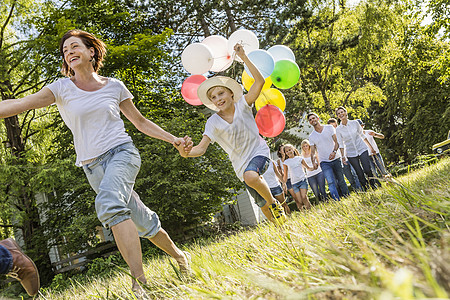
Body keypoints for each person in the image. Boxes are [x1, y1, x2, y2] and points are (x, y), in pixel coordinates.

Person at [0, 29, 191, 296]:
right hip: (92, 167)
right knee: (142, 220)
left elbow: (140, 122)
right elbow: (20, 103)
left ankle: (139, 282)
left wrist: (174, 140)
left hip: (121, 153)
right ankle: (181, 257)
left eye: (74, 46)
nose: (69, 52)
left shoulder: (114, 86)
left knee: (110, 205)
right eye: (65, 51)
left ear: (91, 51)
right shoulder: (61, 88)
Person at [177, 44, 286, 224]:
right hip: (240, 167)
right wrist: (184, 152)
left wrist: (244, 57)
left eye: (221, 93)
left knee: (252, 178)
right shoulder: (212, 123)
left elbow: (259, 82)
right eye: (213, 97)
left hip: (259, 152)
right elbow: (200, 149)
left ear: (231, 94)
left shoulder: (243, 104)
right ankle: (283, 230)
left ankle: (274, 202)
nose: (218, 98)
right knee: (262, 205)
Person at [335, 107, 380, 190]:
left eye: (342, 112)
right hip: (351, 153)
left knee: (367, 169)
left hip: (362, 148)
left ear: (345, 112)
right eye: (338, 113)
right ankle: (367, 189)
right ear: (337, 116)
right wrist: (343, 157)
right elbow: (341, 144)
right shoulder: (338, 129)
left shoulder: (355, 123)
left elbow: (362, 135)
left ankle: (374, 186)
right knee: (359, 173)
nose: (341, 114)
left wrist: (371, 147)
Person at [307, 112, 349, 201]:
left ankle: (347, 197)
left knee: (341, 180)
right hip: (324, 162)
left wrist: (334, 152)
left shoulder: (329, 128)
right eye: (310, 120)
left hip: (336, 158)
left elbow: (337, 142)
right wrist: (313, 162)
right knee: (330, 182)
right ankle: (336, 200)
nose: (312, 120)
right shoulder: (311, 136)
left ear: (317, 119)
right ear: (310, 123)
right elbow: (313, 152)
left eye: (313, 118)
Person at [327, 118, 362, 192]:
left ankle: (362, 190)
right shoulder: (329, 137)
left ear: (336, 125)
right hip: (340, 159)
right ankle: (357, 191)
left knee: (356, 173)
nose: (333, 127)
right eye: (331, 126)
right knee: (349, 177)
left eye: (334, 125)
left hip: (349, 155)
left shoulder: (342, 131)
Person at [282, 144, 313, 210]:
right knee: (299, 201)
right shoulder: (286, 162)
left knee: (304, 197)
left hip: (302, 180)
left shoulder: (299, 158)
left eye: (290, 150)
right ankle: (303, 214)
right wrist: (284, 184)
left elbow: (308, 167)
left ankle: (310, 211)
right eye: (287, 151)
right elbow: (285, 175)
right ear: (285, 153)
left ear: (293, 149)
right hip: (294, 183)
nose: (289, 152)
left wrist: (313, 168)